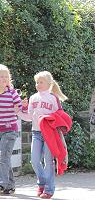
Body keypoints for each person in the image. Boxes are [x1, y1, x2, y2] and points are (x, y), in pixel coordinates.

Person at [19, 71, 68, 199]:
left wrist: (49, 118)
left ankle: (49, 189)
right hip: (36, 133)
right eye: (37, 82)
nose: (38, 84)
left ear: (49, 84)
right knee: (34, 161)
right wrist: (19, 111)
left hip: (50, 133)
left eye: (41, 82)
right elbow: (29, 116)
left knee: (48, 161)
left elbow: (60, 116)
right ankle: (42, 182)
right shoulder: (33, 98)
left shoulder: (53, 98)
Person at [0, 65, 24, 195]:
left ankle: (3, 184)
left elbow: (18, 109)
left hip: (9, 130)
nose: (3, 79)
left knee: (3, 157)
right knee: (5, 158)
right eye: (1, 77)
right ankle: (9, 185)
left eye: (6, 77)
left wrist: (20, 106)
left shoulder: (12, 93)